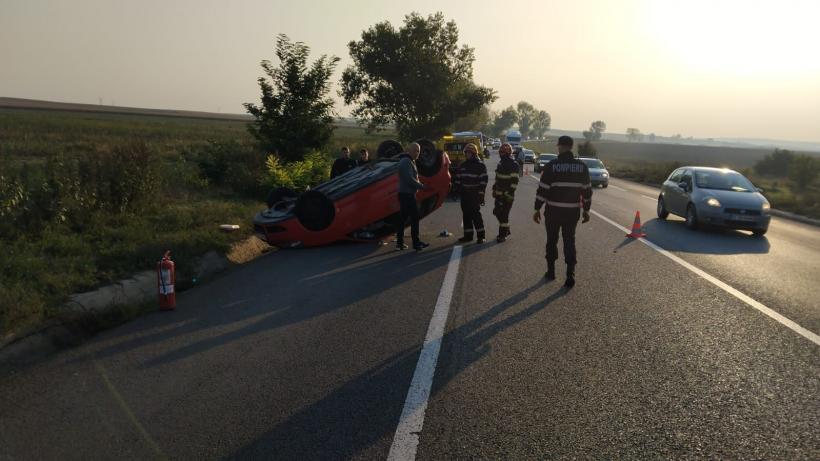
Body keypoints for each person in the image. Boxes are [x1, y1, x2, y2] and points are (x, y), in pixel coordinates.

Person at [532, 136, 592, 289]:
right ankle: (570, 275)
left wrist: (537, 208)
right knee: (569, 241)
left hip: (553, 212)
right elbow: (587, 191)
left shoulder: (552, 166)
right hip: (572, 212)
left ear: (559, 146)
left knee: (552, 240)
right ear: (571, 147)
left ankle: (551, 272)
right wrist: (586, 210)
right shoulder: (582, 167)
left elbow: (543, 190)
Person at [396, 143, 430, 251]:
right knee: (415, 218)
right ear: (409, 151)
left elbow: (413, 177)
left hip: (406, 194)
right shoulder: (406, 162)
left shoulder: (409, 161)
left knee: (402, 219)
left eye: (418, 151)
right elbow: (410, 180)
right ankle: (416, 243)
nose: (417, 153)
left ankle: (400, 243)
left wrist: (420, 183)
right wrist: (422, 186)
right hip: (407, 195)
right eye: (415, 151)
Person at [454, 143, 488, 243]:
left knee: (476, 215)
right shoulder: (463, 165)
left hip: (475, 194)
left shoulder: (480, 165)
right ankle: (468, 236)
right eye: (466, 153)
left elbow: (483, 181)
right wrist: (456, 189)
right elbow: (458, 178)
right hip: (465, 194)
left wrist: (481, 194)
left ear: (474, 153)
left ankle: (481, 236)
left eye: (469, 153)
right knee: (466, 215)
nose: (467, 154)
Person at [492, 143, 519, 242]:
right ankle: (506, 229)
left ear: (508, 153)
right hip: (499, 193)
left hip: (508, 194)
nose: (500, 154)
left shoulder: (513, 164)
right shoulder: (500, 163)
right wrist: (494, 189)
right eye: (500, 152)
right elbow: (497, 178)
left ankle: (502, 235)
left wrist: (510, 193)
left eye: (502, 152)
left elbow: (515, 181)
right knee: (497, 212)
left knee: (504, 214)